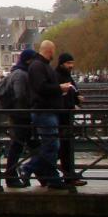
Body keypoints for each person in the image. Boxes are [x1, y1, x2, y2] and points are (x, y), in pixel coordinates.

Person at [20, 40, 70, 190]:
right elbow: (41, 87)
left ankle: (52, 178)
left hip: (48, 111)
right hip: (43, 111)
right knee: (52, 145)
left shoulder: (42, 65)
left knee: (52, 145)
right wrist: (59, 88)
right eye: (53, 51)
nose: (54, 54)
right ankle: (28, 168)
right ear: (49, 50)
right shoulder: (37, 66)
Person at [1, 48, 37, 188]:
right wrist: (30, 106)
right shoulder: (21, 74)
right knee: (18, 146)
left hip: (20, 115)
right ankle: (12, 176)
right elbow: (20, 95)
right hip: (21, 116)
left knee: (29, 146)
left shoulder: (19, 72)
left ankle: (39, 174)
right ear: (29, 60)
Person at [55, 53, 86, 186]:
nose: (71, 66)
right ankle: (68, 176)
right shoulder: (57, 76)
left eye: (72, 63)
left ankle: (69, 175)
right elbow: (58, 96)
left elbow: (73, 92)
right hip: (61, 116)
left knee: (65, 149)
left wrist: (78, 100)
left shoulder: (68, 76)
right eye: (68, 63)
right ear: (62, 64)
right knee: (63, 148)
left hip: (67, 115)